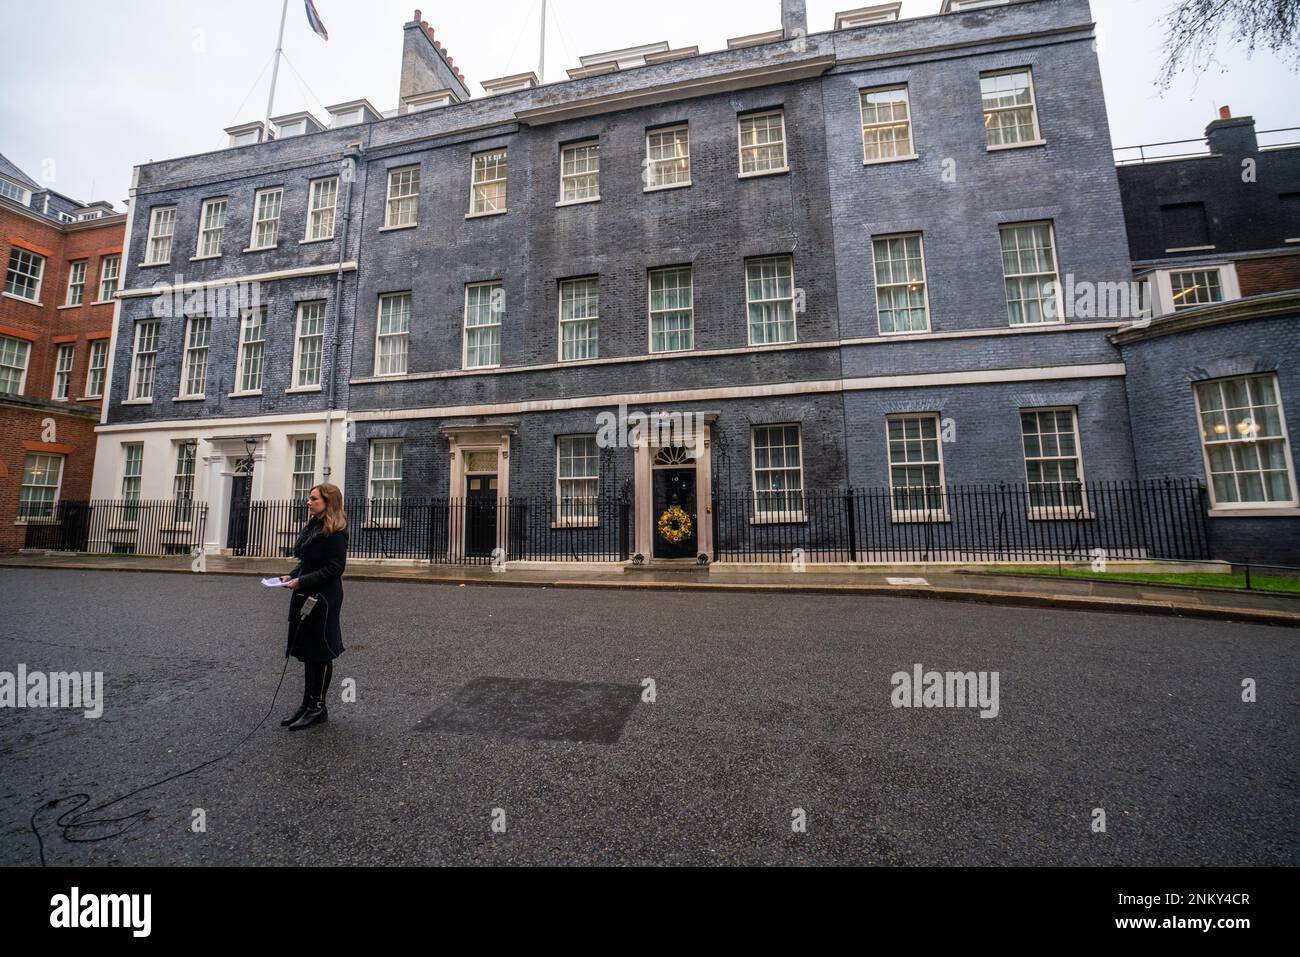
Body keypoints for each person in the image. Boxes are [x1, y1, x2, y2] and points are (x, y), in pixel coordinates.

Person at [278, 483, 349, 731]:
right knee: (308, 649)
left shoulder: (336, 531)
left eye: (313, 498)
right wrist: (291, 576)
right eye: (309, 498)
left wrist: (302, 581)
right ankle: (307, 704)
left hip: (324, 598)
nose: (308, 502)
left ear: (327, 502)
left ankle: (318, 707)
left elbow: (334, 568)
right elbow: (308, 561)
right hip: (306, 592)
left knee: (320, 651)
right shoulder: (314, 526)